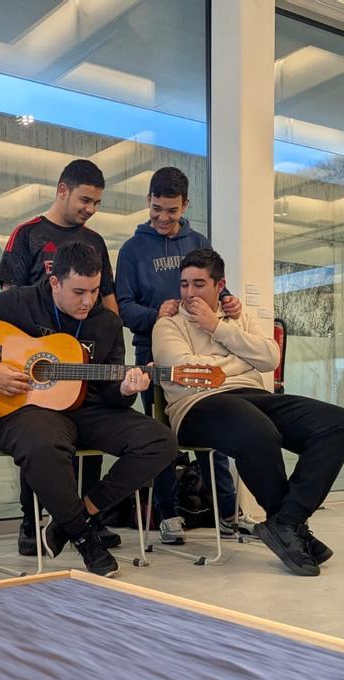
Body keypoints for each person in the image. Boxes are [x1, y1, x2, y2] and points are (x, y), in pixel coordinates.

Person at [0, 241, 177, 577]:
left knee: (161, 442)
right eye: (78, 291)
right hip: (27, 408)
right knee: (42, 445)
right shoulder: (21, 301)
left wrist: (126, 388)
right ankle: (84, 538)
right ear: (55, 281)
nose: (87, 301)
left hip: (90, 411)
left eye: (95, 291)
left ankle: (74, 518)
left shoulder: (107, 323)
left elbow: (113, 392)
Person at [153, 249, 344, 577]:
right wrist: (240, 359)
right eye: (184, 285)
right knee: (256, 428)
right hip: (197, 406)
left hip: (253, 398)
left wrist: (217, 328)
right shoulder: (168, 324)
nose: (189, 293)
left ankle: (287, 521)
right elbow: (185, 370)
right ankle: (289, 526)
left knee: (339, 423)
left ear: (220, 286)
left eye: (199, 284)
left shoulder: (236, 318)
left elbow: (269, 358)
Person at [0, 158, 119, 556]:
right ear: (62, 190)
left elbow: (108, 301)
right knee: (41, 439)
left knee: (93, 426)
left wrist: (110, 345)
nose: (90, 209)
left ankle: (86, 520)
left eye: (97, 203)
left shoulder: (95, 242)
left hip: (83, 356)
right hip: (37, 368)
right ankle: (32, 523)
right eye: (85, 199)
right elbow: (5, 304)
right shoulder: (27, 235)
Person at [115, 166, 240, 545]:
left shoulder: (197, 240)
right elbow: (123, 306)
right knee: (161, 436)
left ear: (185, 205)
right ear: (148, 202)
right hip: (151, 353)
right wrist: (157, 315)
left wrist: (229, 301)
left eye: (171, 210)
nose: (163, 218)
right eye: (156, 209)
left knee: (212, 431)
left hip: (205, 352)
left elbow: (215, 288)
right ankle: (168, 515)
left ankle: (228, 513)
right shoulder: (133, 250)